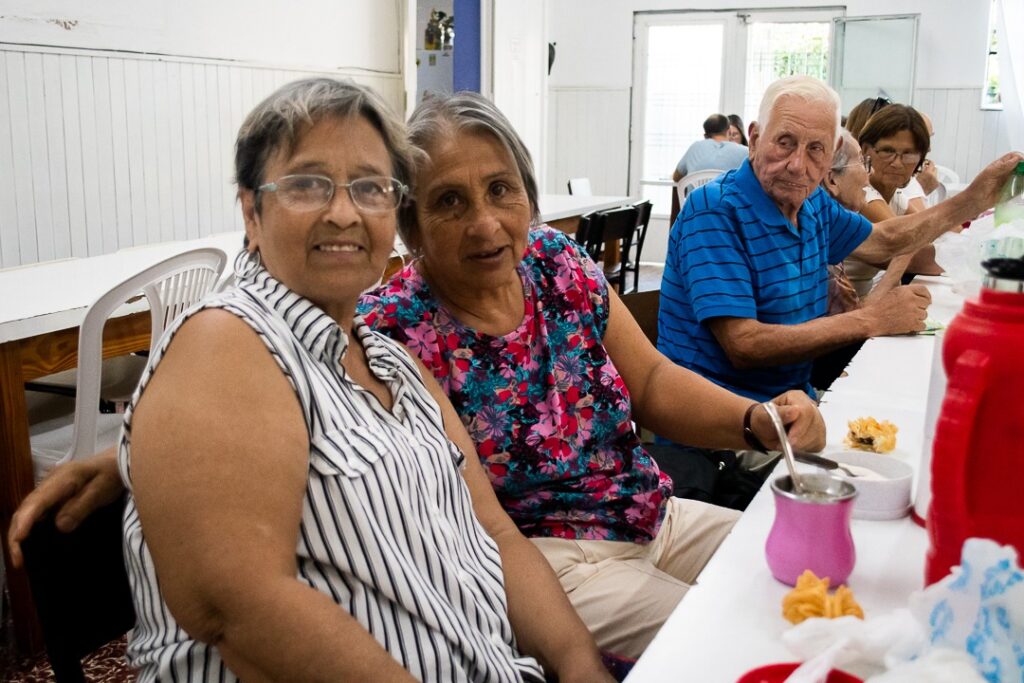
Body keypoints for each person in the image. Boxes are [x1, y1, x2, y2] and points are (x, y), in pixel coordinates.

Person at [9, 91, 825, 662]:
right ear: (408, 225)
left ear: (530, 197)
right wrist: (132, 455)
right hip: (548, 561)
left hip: (647, 507)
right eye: (447, 202)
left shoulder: (557, 262)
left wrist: (757, 422)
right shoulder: (392, 323)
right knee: (741, 637)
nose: (485, 223)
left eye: (502, 191)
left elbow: (649, 381)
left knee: (808, 570)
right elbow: (281, 407)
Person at [657, 75, 1022, 403]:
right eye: (785, 142)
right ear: (753, 139)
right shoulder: (715, 209)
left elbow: (882, 241)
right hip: (727, 426)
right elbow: (744, 344)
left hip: (795, 402)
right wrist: (871, 319)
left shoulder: (810, 201)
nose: (798, 164)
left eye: (816, 149)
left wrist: (974, 199)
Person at [813, 129, 911, 390]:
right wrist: (904, 252)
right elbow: (855, 324)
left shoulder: (829, 218)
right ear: (831, 179)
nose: (869, 174)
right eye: (863, 162)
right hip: (822, 371)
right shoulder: (821, 224)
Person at [857, 104, 947, 282]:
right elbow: (917, 255)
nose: (897, 163)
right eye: (888, 151)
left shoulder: (896, 197)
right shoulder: (862, 194)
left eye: (909, 154)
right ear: (866, 150)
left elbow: (930, 231)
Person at [671, 113, 749, 182]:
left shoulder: (694, 148)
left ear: (705, 136)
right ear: (728, 131)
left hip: (697, 198)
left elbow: (676, 177)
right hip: (728, 198)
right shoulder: (745, 152)